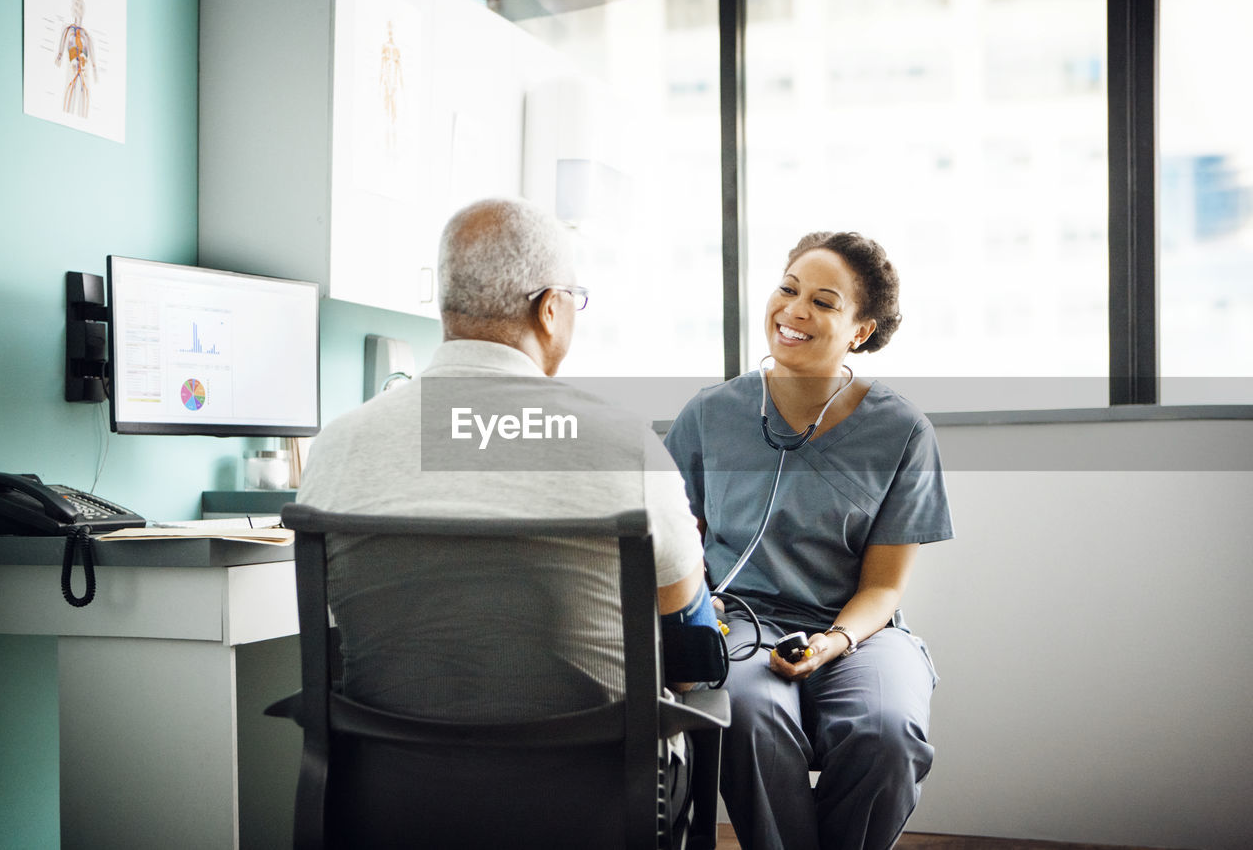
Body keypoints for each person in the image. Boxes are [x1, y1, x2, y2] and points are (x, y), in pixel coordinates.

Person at [296, 196, 721, 837]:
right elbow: (682, 622)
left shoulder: (340, 445)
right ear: (550, 308)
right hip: (593, 803)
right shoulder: (623, 442)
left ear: (447, 306)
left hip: (390, 796)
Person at [664, 231, 953, 850]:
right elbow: (668, 541)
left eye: (824, 302)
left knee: (888, 732)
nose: (794, 311)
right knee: (748, 713)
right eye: (788, 289)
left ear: (861, 330)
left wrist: (833, 642)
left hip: (857, 629)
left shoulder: (902, 431)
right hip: (740, 619)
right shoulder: (709, 414)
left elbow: (883, 586)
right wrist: (689, 616)